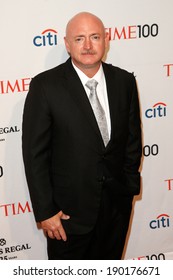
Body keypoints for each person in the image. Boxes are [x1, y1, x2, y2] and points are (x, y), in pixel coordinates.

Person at [22, 11, 142, 260]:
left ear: (106, 40)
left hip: (116, 210)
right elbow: (35, 156)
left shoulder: (125, 81)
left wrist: (127, 189)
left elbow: (132, 141)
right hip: (67, 217)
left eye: (95, 37)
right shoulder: (45, 86)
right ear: (67, 44)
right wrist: (46, 211)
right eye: (79, 39)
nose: (88, 46)